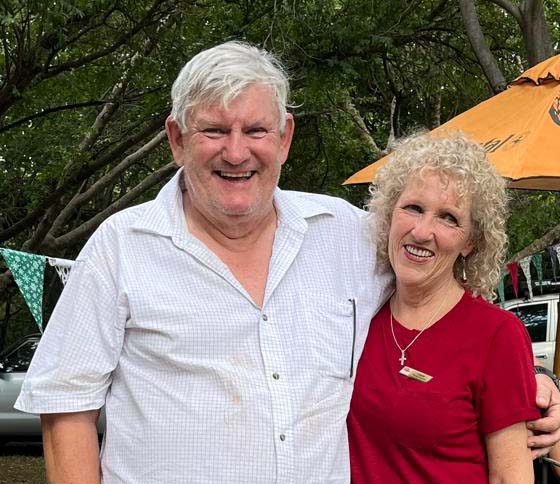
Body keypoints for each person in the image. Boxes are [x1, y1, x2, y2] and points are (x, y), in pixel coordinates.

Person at [13, 42, 560, 483]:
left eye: (255, 131)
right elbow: (66, 409)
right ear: (176, 139)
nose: (236, 152)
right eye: (214, 130)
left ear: (284, 138)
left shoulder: (346, 235)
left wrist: (533, 382)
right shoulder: (121, 247)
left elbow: (442, 303)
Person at [347, 132, 542, 483]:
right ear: (389, 214)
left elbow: (510, 476)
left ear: (470, 242)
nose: (422, 232)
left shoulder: (496, 334)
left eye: (448, 218)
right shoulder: (358, 310)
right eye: (413, 208)